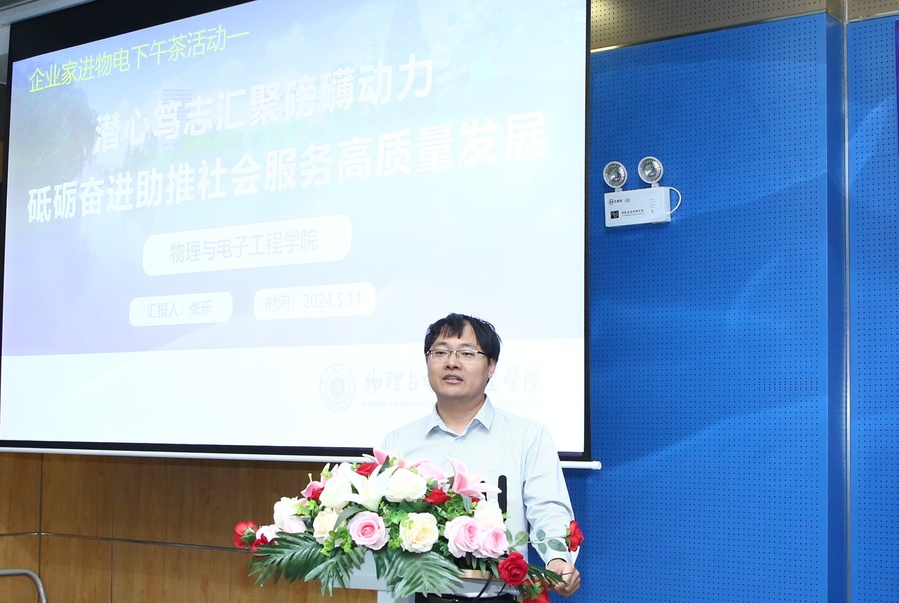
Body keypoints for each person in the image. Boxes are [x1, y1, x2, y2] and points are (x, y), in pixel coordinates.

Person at [381, 313, 581, 603]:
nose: (452, 362)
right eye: (440, 352)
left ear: (491, 366)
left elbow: (548, 508)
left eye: (467, 353)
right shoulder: (398, 443)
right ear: (427, 362)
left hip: (500, 596)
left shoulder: (528, 436)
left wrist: (557, 558)